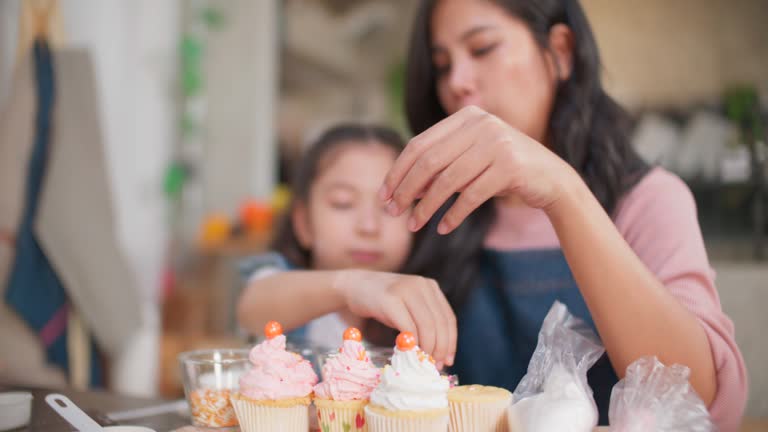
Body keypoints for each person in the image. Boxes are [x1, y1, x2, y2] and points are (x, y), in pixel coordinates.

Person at [376, 0, 747, 428]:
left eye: (481, 49)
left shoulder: (649, 201)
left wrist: (563, 192)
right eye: (442, 66)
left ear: (562, 51)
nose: (457, 82)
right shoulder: (431, 214)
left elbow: (699, 400)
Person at [236, 124, 457, 365]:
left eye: (391, 206)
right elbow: (252, 308)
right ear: (303, 223)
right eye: (343, 203)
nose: (369, 226)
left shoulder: (433, 297)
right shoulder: (279, 282)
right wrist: (353, 285)